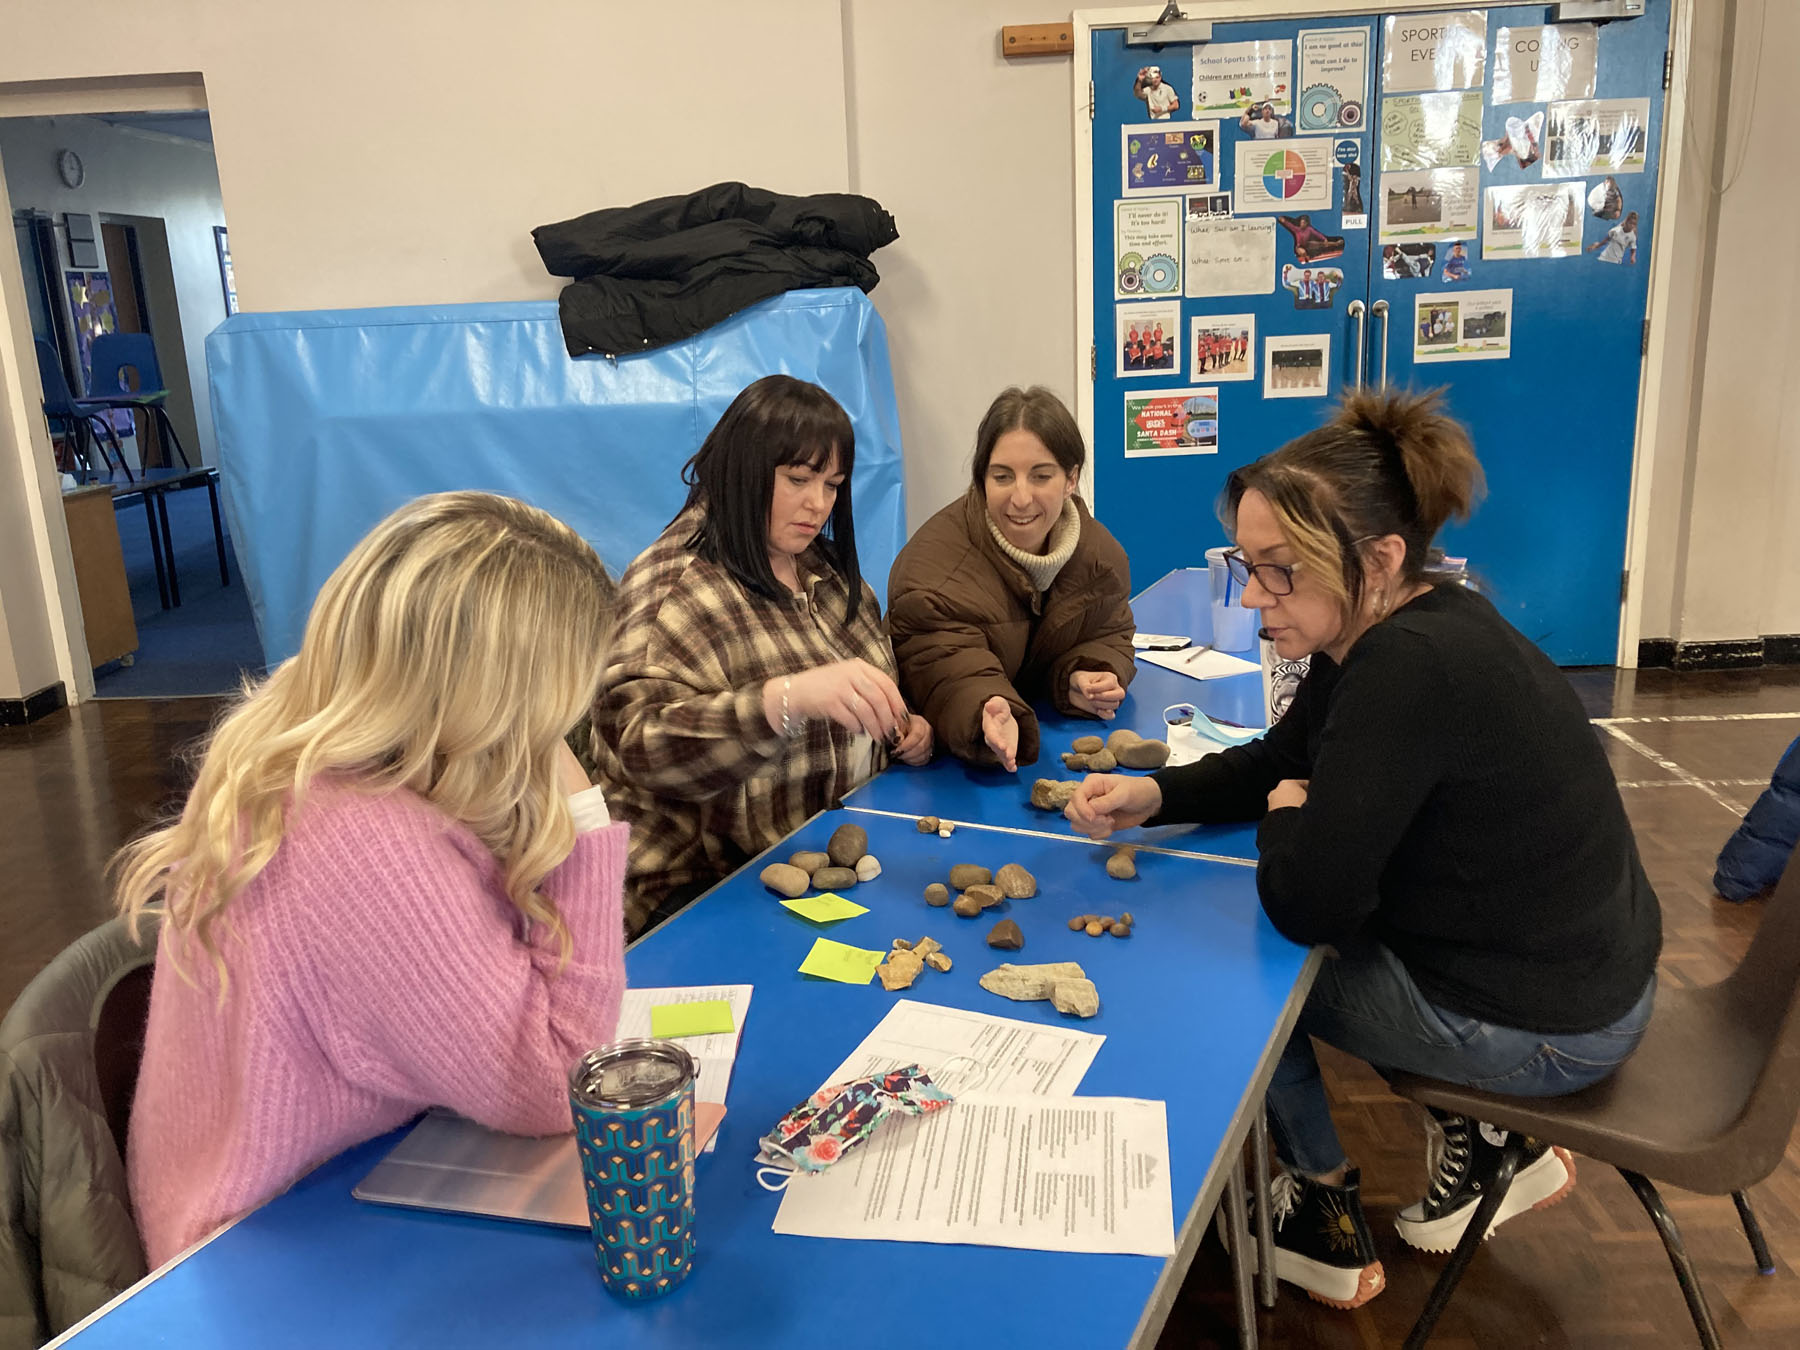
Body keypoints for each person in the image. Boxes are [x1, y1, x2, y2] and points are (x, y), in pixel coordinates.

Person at [1064, 389, 1661, 1310]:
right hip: (1581, 978)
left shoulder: (1403, 670)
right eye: (1248, 567)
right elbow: (1280, 758)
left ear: (1378, 558)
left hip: (1551, 1025)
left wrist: (1288, 819)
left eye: (1280, 572)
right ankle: (1504, 1144)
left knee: (1249, 969)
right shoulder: (1406, 622)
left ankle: (1321, 1215)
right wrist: (1158, 794)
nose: (1258, 599)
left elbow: (1308, 901)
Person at [116, 492, 629, 1269]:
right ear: (497, 698)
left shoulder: (308, 730)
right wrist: (583, 814)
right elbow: (562, 1082)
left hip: (324, 1192)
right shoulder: (361, 839)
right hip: (271, 1260)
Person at [593, 375, 930, 934]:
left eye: (832, 485)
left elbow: (857, 700)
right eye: (798, 479)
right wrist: (781, 702)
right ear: (743, 471)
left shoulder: (825, 572)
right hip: (698, 897)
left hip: (816, 868)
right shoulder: (673, 587)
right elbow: (639, 743)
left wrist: (900, 731)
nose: (818, 504)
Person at [888, 386, 1134, 772]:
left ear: (1071, 479)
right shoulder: (931, 572)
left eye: (1041, 476)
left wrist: (1086, 673)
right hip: (947, 769)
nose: (1021, 498)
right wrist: (985, 708)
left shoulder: (1101, 558)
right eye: (1003, 477)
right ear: (981, 479)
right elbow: (946, 666)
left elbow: (1108, 631)